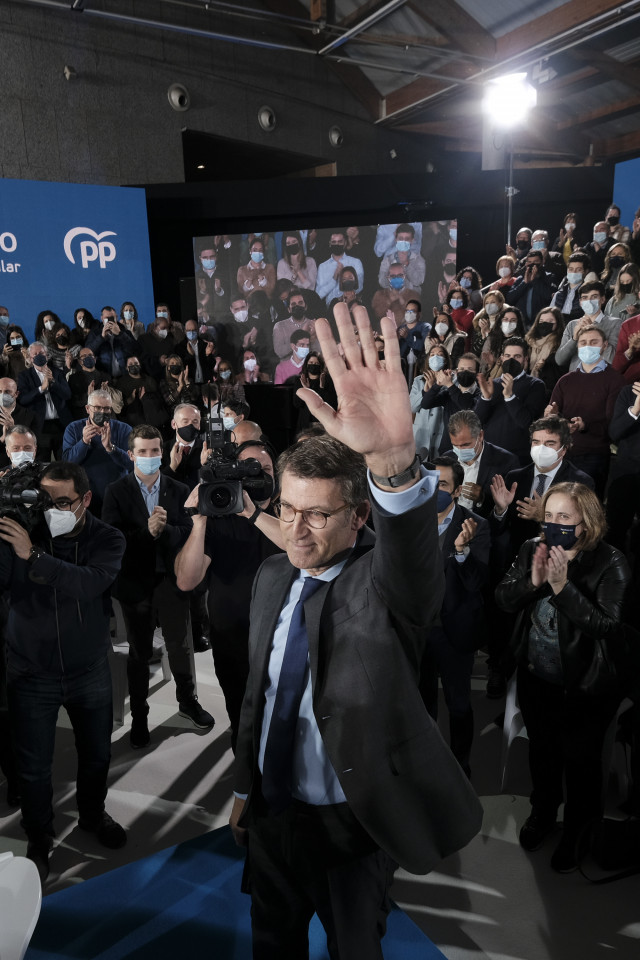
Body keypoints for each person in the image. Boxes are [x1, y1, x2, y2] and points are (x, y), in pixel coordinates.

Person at [179, 302, 482, 957]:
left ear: (356, 517)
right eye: (288, 510)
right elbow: (259, 700)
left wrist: (396, 464)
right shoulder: (270, 580)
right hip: (272, 819)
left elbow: (415, 571)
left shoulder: (383, 584)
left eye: (317, 515)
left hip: (352, 830)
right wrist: (243, 791)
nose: (296, 530)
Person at [0, 461, 127, 882]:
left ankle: (92, 816)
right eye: (44, 500)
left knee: (97, 755)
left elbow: (89, 583)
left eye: (63, 502)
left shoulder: (107, 538)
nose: (52, 509)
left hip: (88, 668)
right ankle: (39, 837)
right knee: (33, 768)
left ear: (86, 500)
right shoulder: (20, 532)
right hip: (30, 671)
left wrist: (32, 556)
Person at [496, 482, 631, 873]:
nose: (553, 524)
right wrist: (533, 582)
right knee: (542, 751)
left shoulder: (611, 562)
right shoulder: (531, 548)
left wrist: (561, 586)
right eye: (548, 515)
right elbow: (503, 599)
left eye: (563, 518)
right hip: (537, 675)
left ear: (585, 524)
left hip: (586, 685)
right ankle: (542, 812)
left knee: (582, 763)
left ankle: (577, 830)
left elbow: (606, 626)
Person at [102, 425, 214, 749]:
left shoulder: (179, 490)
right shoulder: (116, 491)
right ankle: (140, 716)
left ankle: (188, 702)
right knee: (139, 653)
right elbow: (114, 539)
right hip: (135, 584)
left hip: (170, 579)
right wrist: (147, 533)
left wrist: (164, 531)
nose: (150, 457)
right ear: (131, 455)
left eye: (155, 451)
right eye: (143, 451)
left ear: (161, 453)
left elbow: (188, 531)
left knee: (180, 645)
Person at [175, 438, 281, 749]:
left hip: (282, 640)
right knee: (242, 720)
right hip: (232, 638)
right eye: (248, 470)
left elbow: (299, 547)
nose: (257, 476)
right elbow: (186, 580)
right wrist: (198, 522)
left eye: (264, 469)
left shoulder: (291, 513)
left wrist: (255, 514)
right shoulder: (219, 518)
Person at [419, 456, 490, 778]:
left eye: (443, 484)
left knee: (459, 705)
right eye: (430, 483)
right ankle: (426, 763)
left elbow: (478, 583)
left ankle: (460, 766)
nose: (435, 490)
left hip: (454, 633)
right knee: (421, 706)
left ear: (458, 489)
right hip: (416, 630)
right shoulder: (408, 522)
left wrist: (462, 551)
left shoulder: (477, 526)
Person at [489, 416, 595, 563]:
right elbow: (496, 530)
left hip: (556, 559)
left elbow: (583, 534)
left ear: (564, 449)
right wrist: (500, 510)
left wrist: (545, 518)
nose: (541, 449)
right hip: (515, 557)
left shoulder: (581, 482)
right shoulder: (515, 477)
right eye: (536, 442)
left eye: (549, 443)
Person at [547, 324, 625, 496]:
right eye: (583, 342)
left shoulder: (615, 380)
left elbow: (614, 426)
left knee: (585, 509)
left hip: (594, 455)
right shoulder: (565, 380)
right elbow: (552, 414)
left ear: (604, 345)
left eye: (593, 342)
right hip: (562, 453)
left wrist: (585, 426)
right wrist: (551, 417)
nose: (587, 346)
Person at [475, 337, 547, 464]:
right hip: (488, 453)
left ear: (525, 359)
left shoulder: (535, 385)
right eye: (507, 356)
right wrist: (486, 398)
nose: (511, 360)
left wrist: (509, 396)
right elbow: (478, 421)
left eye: (517, 356)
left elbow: (526, 422)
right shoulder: (492, 383)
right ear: (501, 358)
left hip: (518, 456)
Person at [62, 389, 133, 515]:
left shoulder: (124, 429)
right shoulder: (73, 428)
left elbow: (132, 464)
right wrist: (83, 442)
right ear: (88, 409)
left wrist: (111, 448)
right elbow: (67, 463)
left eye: (106, 409)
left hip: (117, 495)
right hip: (85, 495)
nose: (102, 412)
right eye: (97, 408)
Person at [17, 342, 72, 461]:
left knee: (64, 462)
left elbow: (67, 395)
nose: (38, 356)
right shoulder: (24, 376)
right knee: (42, 464)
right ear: (31, 359)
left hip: (60, 424)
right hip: (40, 427)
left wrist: (53, 382)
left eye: (41, 353)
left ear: (47, 355)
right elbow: (23, 399)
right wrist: (41, 389)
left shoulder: (57, 372)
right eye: (35, 354)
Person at [554, 280, 622, 371]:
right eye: (585, 298)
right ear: (580, 302)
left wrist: (594, 330)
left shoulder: (615, 323)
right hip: (576, 377)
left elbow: (611, 359)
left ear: (602, 299)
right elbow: (559, 360)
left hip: (602, 377)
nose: (589, 301)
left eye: (594, 297)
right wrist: (574, 338)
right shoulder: (572, 325)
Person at [420, 352, 479, 454]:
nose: (465, 372)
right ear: (456, 372)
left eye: (470, 370)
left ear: (477, 373)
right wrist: (437, 384)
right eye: (461, 369)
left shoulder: (481, 394)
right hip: (447, 449)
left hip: (470, 450)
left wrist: (449, 384)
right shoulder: (449, 393)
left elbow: (467, 407)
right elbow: (425, 404)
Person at [606, 380, 640, 553]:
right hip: (625, 473)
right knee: (615, 531)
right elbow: (615, 432)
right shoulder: (628, 392)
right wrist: (635, 409)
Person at [505, 249, 557, 329]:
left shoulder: (550, 277)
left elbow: (549, 297)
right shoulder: (520, 279)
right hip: (521, 324)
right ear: (526, 263)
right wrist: (524, 283)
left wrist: (535, 280)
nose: (532, 264)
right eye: (529, 262)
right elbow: (510, 298)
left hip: (540, 323)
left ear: (542, 262)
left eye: (536, 261)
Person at [161, 402, 205, 490]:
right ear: (174, 424)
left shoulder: (208, 449)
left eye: (195, 421)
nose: (190, 425)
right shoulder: (162, 450)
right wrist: (172, 467)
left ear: (199, 425)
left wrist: (205, 465)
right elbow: (156, 485)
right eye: (185, 421)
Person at [85, 306, 137, 380]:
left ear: (116, 317)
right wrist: (101, 337)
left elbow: (134, 350)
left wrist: (120, 334)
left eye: (112, 318)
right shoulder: (95, 334)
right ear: (102, 318)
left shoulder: (125, 332)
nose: (110, 321)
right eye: (107, 318)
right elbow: (87, 352)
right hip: (104, 377)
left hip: (125, 376)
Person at [525, 307, 566, 398]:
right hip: (527, 386)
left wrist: (543, 367)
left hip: (548, 391)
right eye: (541, 321)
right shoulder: (529, 342)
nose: (544, 324)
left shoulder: (561, 343)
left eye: (550, 321)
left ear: (557, 323)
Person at [316, 229, 364, 304]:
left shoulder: (355, 262)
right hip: (332, 307)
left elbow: (360, 286)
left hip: (352, 303)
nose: (337, 244)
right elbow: (319, 294)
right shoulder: (323, 267)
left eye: (340, 242)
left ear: (345, 243)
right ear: (330, 243)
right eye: (334, 242)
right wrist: (334, 278)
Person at [377, 224, 426, 293]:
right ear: (396, 239)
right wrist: (393, 275)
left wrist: (406, 264)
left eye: (407, 239)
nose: (403, 242)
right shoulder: (387, 260)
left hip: (412, 297)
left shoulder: (418, 259)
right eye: (400, 239)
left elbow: (418, 282)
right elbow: (382, 283)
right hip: (392, 298)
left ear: (412, 240)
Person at [272, 290, 318, 359]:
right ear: (289, 309)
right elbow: (279, 352)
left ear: (305, 307)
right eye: (293, 304)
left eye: (300, 303)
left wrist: (313, 337)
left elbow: (320, 351)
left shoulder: (314, 324)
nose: (297, 306)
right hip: (288, 367)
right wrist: (302, 334)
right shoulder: (280, 326)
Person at [550, 252, 589, 321]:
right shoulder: (558, 294)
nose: (574, 272)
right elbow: (551, 317)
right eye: (571, 269)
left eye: (578, 269)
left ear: (585, 272)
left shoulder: (588, 294)